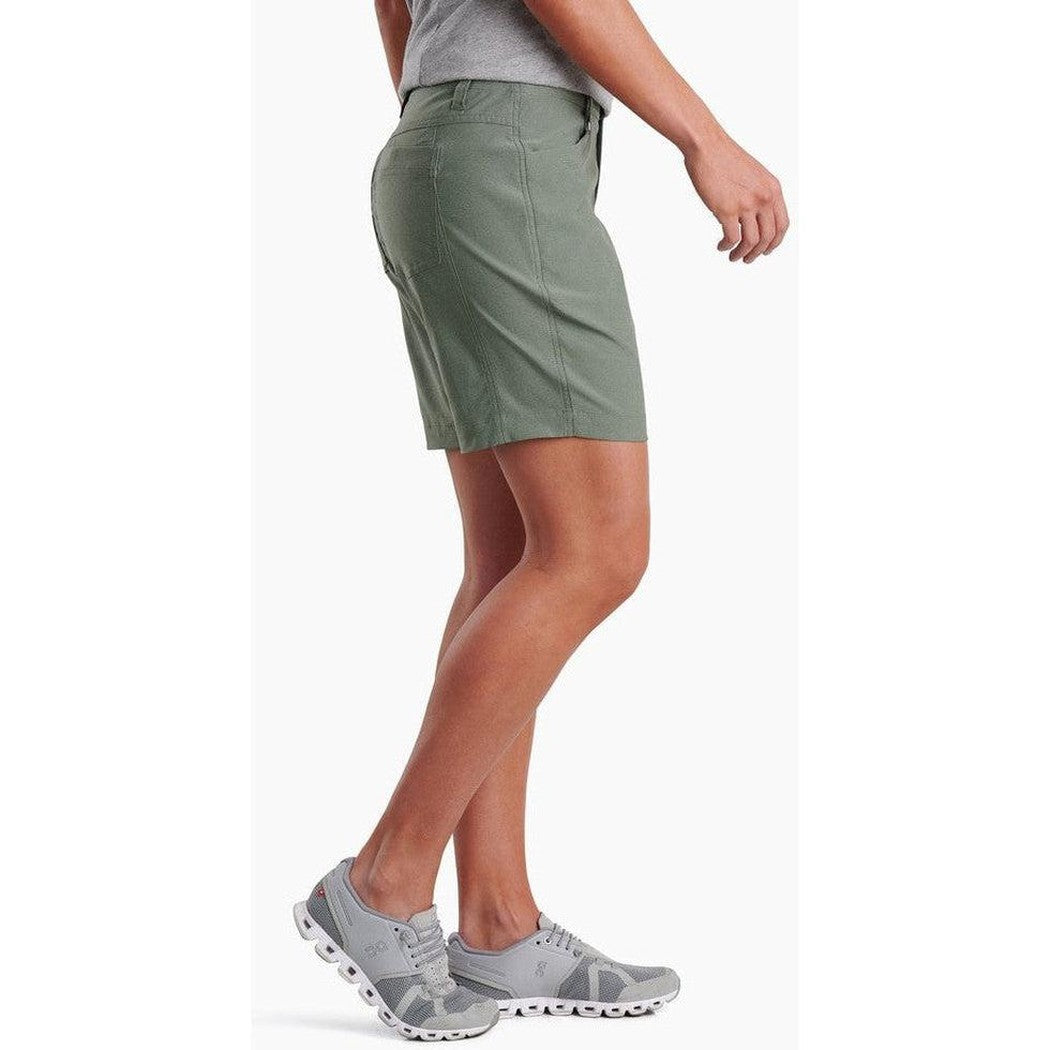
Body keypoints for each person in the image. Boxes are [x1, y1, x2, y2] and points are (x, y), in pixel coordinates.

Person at [293, 0, 788, 1039]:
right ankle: (383, 883)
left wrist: (441, 113)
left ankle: (498, 923)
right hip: (499, 151)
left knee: (514, 558)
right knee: (597, 552)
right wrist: (704, 138)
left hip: (455, 151)